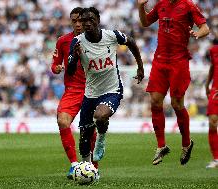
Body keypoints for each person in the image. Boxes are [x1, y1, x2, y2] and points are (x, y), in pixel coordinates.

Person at [67, 7, 144, 164]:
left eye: (91, 20)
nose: (87, 23)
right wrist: (74, 57)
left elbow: (132, 42)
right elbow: (70, 71)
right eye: (84, 21)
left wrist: (140, 66)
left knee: (100, 116)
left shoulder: (112, 35)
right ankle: (87, 169)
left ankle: (101, 138)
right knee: (84, 138)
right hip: (90, 93)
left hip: (112, 89)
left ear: (98, 21)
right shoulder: (77, 42)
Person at [137, 0, 210, 165]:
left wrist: (199, 34)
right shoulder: (161, 4)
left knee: (177, 104)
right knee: (155, 102)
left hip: (179, 61)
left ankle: (186, 143)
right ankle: (161, 146)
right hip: (160, 60)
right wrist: (141, 6)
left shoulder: (188, 5)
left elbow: (205, 27)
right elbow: (145, 22)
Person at [51, 7, 97, 179]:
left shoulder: (96, 39)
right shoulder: (63, 41)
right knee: (63, 121)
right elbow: (54, 65)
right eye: (74, 21)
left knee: (91, 131)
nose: (78, 24)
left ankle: (93, 167)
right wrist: (57, 68)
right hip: (73, 90)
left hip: (92, 89)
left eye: (80, 20)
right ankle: (74, 165)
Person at [205, 38, 218, 169]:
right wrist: (207, 84)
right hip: (215, 91)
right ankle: (216, 159)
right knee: (212, 123)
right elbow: (213, 67)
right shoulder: (213, 50)